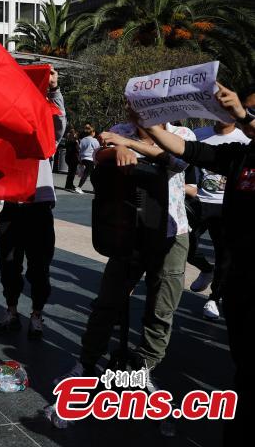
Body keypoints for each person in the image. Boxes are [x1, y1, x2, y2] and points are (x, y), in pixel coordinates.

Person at [133, 83, 254, 446]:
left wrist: (242, 115)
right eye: (247, 108)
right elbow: (187, 149)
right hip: (240, 280)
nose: (246, 116)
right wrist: (151, 123)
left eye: (253, 111)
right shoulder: (240, 155)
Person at [58, 116, 196, 386]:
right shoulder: (120, 131)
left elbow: (178, 162)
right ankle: (86, 362)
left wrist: (130, 145)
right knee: (107, 302)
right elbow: (99, 154)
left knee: (161, 307)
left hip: (171, 230)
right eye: (132, 105)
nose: (135, 110)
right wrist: (116, 148)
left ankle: (143, 367)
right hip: (127, 230)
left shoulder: (181, 133)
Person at [0, 67, 66, 340]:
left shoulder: (46, 141)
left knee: (39, 268)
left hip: (38, 208)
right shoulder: (6, 141)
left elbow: (60, 122)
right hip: (13, 208)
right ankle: (11, 311)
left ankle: (36, 315)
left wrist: (54, 89)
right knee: (9, 265)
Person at [187, 120, 250, 320]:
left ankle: (214, 298)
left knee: (225, 254)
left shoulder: (244, 139)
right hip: (198, 200)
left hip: (226, 204)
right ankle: (206, 269)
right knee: (185, 245)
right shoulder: (198, 134)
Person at [74, 123, 98, 193]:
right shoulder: (94, 140)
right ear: (92, 132)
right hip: (90, 159)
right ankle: (79, 187)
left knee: (91, 174)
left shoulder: (83, 140)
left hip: (83, 158)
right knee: (87, 174)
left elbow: (79, 149)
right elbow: (97, 149)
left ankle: (95, 188)